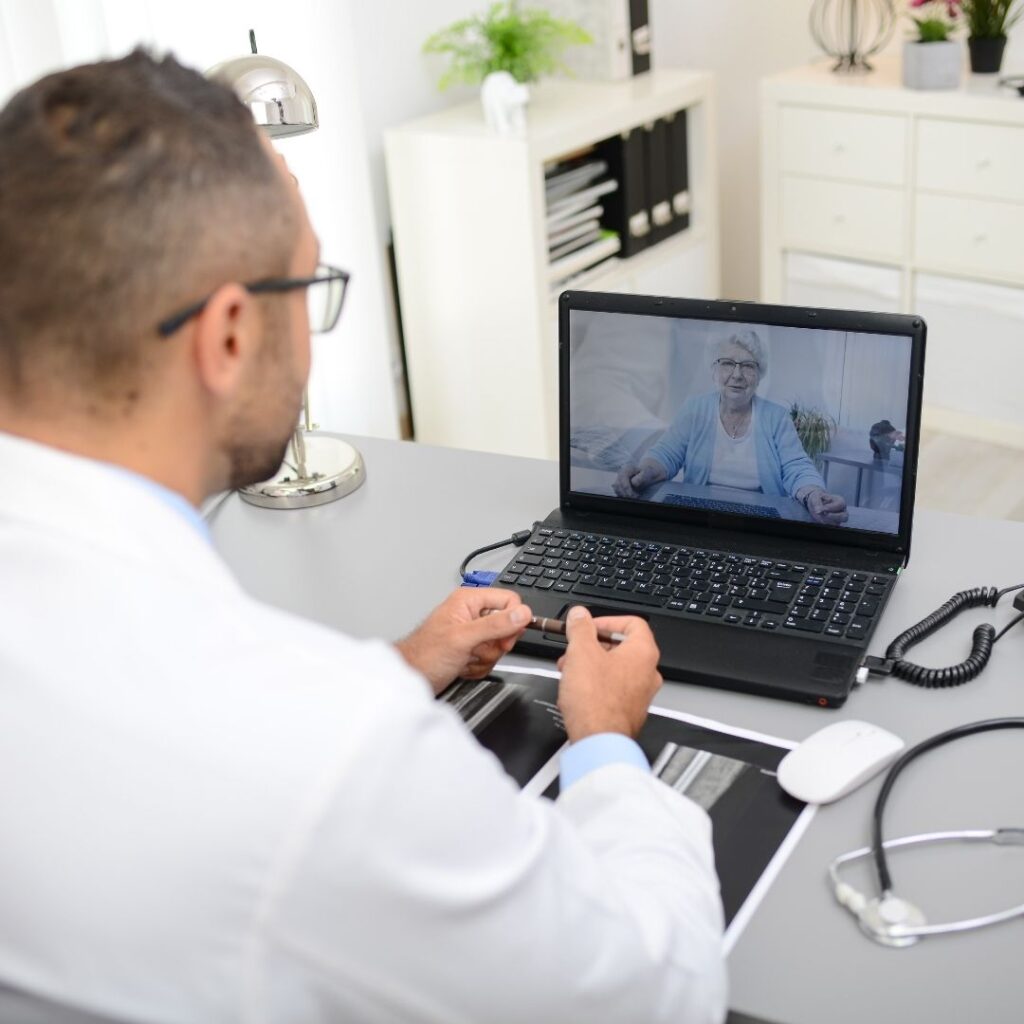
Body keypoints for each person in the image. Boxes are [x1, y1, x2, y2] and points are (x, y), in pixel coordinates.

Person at [0, 52, 727, 1023]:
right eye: (306, 286)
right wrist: (604, 748)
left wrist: (404, 663)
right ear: (225, 335)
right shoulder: (331, 753)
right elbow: (654, 992)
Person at [614, 329, 849, 525]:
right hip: (702, 519)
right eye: (728, 363)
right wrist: (643, 472)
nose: (737, 375)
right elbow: (666, 454)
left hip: (761, 525)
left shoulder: (776, 417)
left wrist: (814, 494)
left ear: (759, 375)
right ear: (714, 370)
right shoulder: (695, 409)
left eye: (748, 366)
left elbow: (796, 466)